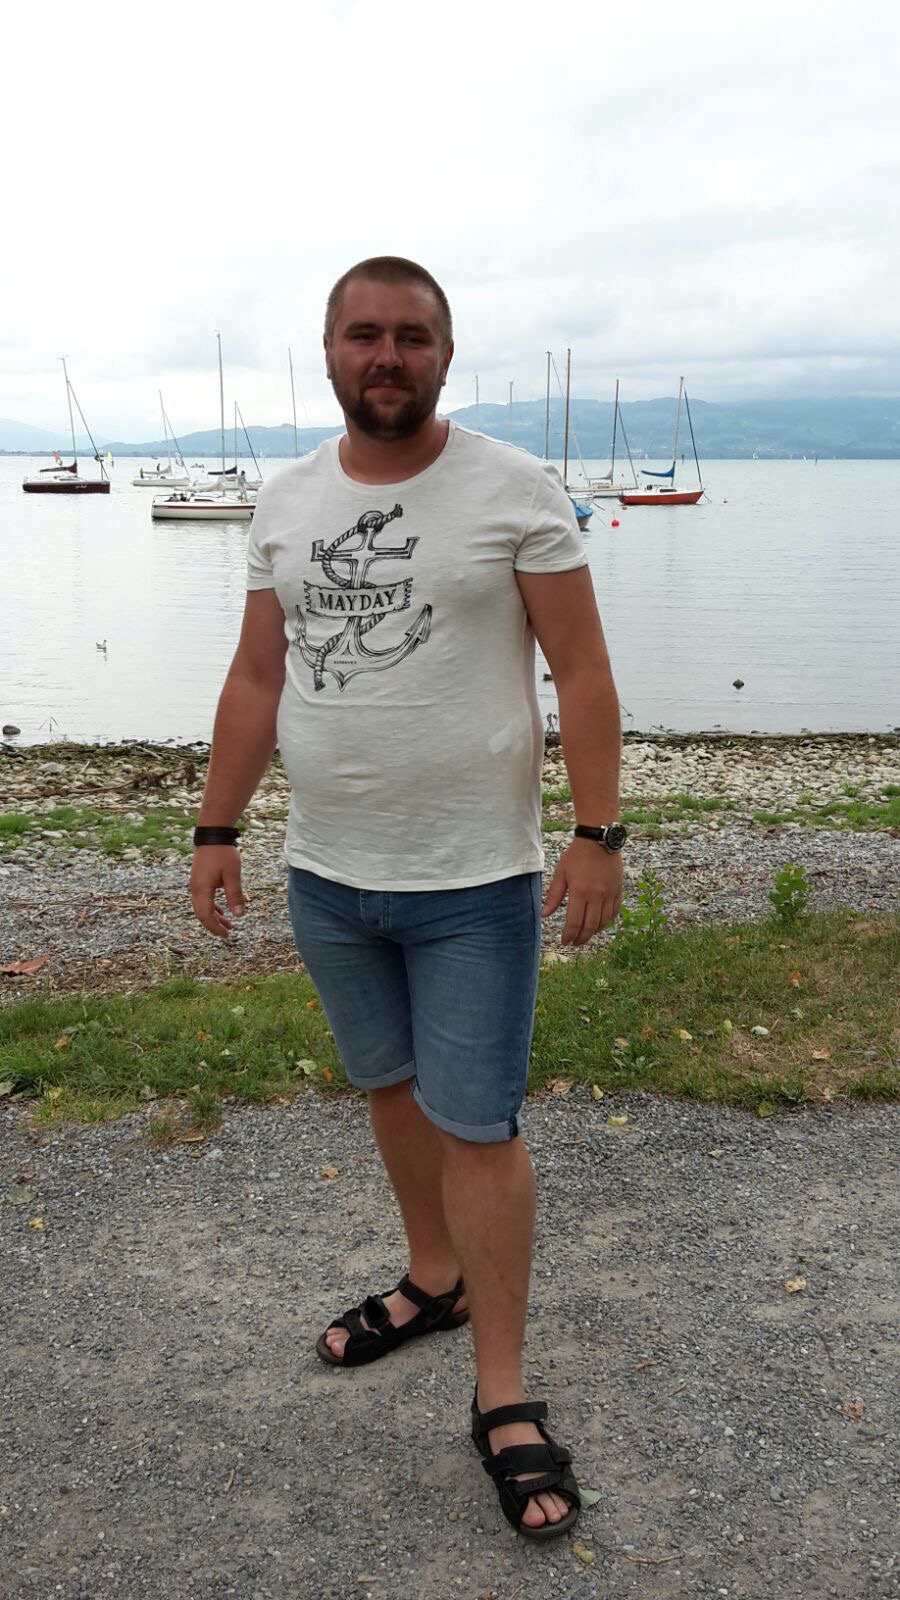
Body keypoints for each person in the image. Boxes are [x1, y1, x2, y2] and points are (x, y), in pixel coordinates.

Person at [190, 256, 624, 1541]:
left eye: (413, 337)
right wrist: (217, 825)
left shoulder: (513, 487)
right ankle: (433, 1276)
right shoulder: (287, 500)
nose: (388, 355)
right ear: (330, 349)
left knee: (477, 1124)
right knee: (389, 1086)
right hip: (328, 872)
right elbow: (258, 677)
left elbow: (582, 668)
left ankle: (503, 1391)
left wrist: (597, 833)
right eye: (365, 334)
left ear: (445, 352)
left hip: (474, 878)